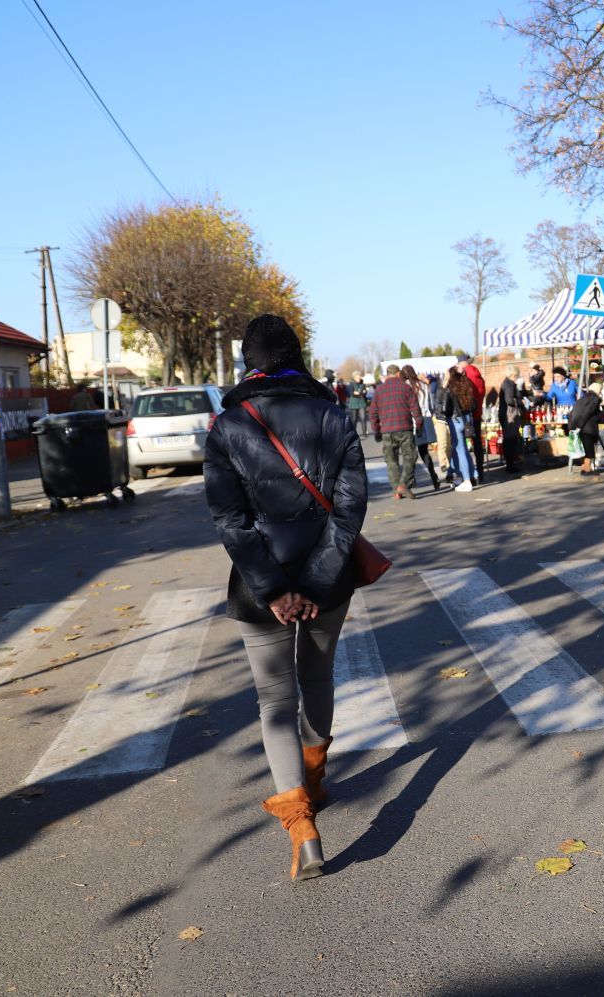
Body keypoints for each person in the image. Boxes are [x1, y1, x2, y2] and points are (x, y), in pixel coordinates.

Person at [203, 314, 368, 882]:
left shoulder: (227, 426)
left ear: (248, 361)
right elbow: (349, 513)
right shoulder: (337, 416)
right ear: (298, 356)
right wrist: (317, 583)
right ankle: (315, 775)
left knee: (274, 700)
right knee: (317, 679)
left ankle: (301, 828)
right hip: (332, 578)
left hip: (258, 587)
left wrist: (274, 589)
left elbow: (230, 519)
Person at [371, 364, 421, 500]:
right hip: (405, 429)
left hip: (387, 431)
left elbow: (373, 413)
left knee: (391, 461)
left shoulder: (379, 391)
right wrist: (420, 425)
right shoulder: (406, 388)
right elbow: (415, 408)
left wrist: (376, 431)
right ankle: (403, 484)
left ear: (387, 374)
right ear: (398, 374)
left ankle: (397, 489)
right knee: (410, 457)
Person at [402, 365, 442, 492]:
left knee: (410, 453)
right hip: (426, 418)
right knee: (424, 452)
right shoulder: (424, 384)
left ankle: (410, 482)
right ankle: (433, 476)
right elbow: (430, 403)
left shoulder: (405, 386)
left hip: (413, 420)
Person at [439, 369, 476, 492]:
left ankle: (466, 480)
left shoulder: (450, 388)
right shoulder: (467, 385)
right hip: (466, 419)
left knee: (460, 450)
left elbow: (443, 408)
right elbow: (474, 404)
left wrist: (444, 389)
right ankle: (471, 475)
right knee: (462, 449)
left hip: (455, 420)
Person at [457, 353, 487, 484]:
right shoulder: (478, 375)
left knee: (463, 444)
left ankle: (469, 473)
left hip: (467, 414)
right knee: (477, 444)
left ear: (462, 363)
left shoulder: (465, 376)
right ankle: (480, 472)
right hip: (478, 412)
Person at [566, 380, 604, 474]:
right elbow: (587, 413)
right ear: (598, 391)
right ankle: (587, 469)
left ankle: (584, 468)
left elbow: (571, 413)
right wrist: (601, 415)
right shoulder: (594, 399)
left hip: (576, 427)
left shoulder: (580, 399)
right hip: (587, 428)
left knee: (582, 449)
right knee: (589, 450)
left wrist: (572, 427)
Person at [427, 373, 453, 483]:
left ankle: (449, 471)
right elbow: (441, 408)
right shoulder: (440, 391)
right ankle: (444, 464)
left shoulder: (451, 391)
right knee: (442, 443)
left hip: (449, 420)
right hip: (440, 420)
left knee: (449, 445)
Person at [499, 367, 525, 473]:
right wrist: (521, 402)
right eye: (517, 375)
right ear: (513, 375)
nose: (518, 377)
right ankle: (510, 466)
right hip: (509, 414)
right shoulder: (508, 384)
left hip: (506, 414)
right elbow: (509, 400)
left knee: (509, 439)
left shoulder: (508, 383)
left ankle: (510, 464)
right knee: (509, 440)